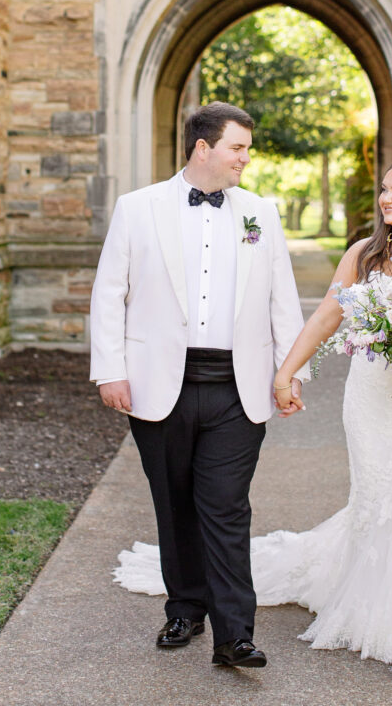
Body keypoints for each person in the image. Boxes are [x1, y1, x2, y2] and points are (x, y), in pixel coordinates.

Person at [115, 159, 392, 686]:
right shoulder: (365, 254)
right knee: (380, 499)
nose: (386, 199)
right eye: (383, 190)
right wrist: (286, 372)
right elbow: (326, 317)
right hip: (375, 400)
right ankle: (376, 611)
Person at [90, 101, 310, 669]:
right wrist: (110, 369)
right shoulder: (138, 208)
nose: (245, 158)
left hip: (239, 387)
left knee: (226, 506)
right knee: (174, 502)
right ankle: (185, 607)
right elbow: (110, 292)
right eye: (238, 147)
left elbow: (281, 299)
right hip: (158, 384)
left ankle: (235, 634)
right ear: (203, 147)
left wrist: (290, 374)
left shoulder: (261, 211)